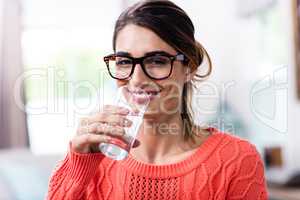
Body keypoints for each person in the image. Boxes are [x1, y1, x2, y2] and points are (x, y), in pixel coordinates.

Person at [46, 0, 268, 199]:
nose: (137, 79)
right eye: (124, 62)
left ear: (189, 67)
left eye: (157, 60)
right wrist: (77, 165)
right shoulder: (93, 158)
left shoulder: (237, 159)